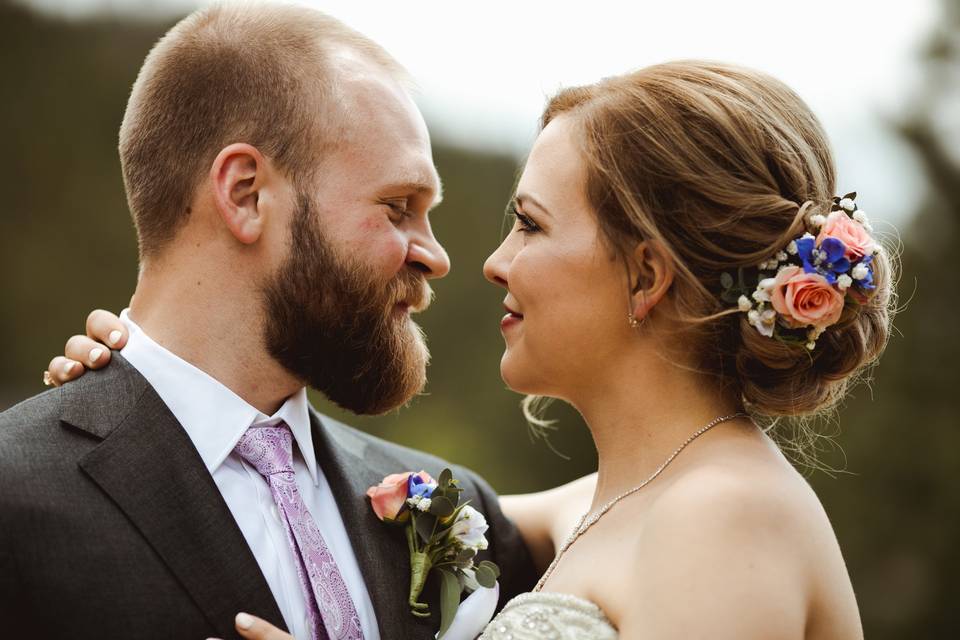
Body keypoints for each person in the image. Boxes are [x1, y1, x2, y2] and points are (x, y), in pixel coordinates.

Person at [48, 59, 894, 639]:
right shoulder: (616, 502)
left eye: (529, 225)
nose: (491, 263)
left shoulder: (722, 515)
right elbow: (359, 496)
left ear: (645, 274)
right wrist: (149, 395)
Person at [0, 4, 538, 640]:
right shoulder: (15, 494)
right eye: (397, 208)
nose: (437, 256)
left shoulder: (453, 512)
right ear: (246, 193)